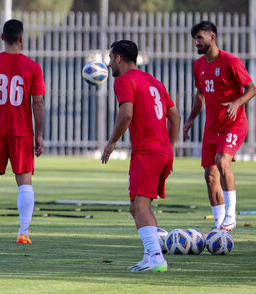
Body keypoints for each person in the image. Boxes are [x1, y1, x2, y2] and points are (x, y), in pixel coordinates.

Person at [102, 40, 181, 272]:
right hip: (160, 151)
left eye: (110, 58)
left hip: (147, 152)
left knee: (140, 207)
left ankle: (157, 257)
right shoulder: (154, 81)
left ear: (118, 58)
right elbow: (174, 116)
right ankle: (150, 255)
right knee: (138, 207)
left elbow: (126, 113)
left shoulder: (125, 80)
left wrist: (112, 141)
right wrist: (169, 148)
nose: (108, 64)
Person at [0, 19, 45, 244]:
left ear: (2, 37)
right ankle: (23, 232)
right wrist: (40, 134)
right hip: (22, 131)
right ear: (22, 38)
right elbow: (38, 103)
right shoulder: (33, 67)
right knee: (24, 180)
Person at [183, 21, 256, 232]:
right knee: (210, 176)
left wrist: (236, 103)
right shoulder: (198, 66)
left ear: (212, 37)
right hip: (211, 127)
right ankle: (218, 227)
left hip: (234, 124)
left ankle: (231, 217)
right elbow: (200, 95)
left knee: (222, 160)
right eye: (195, 39)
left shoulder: (231, 61)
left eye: (199, 38)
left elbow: (251, 89)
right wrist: (190, 119)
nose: (196, 43)